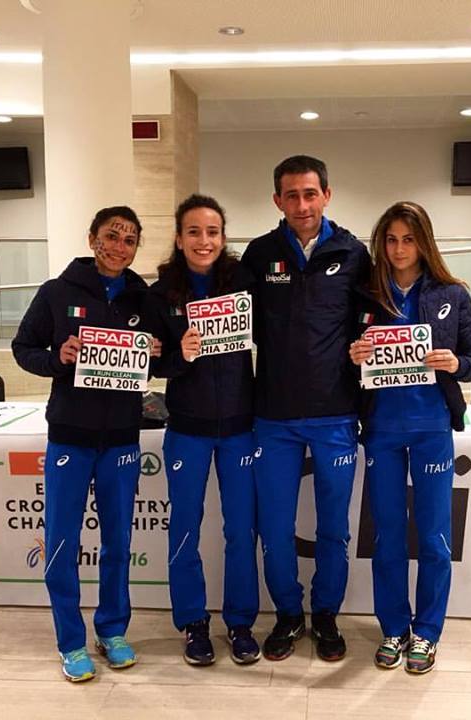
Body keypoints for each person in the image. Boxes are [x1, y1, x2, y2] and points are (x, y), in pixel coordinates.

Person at [12, 206, 159, 682]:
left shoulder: (143, 297)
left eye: (130, 240)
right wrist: (58, 357)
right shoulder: (57, 293)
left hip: (122, 438)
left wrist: (158, 353)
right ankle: (70, 640)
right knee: (61, 541)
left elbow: (163, 357)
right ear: (93, 237)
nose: (120, 246)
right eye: (112, 236)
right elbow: (23, 348)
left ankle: (112, 630)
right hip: (70, 437)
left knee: (118, 541)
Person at [240, 155, 370, 662]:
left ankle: (327, 616)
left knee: (333, 528)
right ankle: (289, 615)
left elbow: (373, 321)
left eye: (310, 193)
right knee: (274, 529)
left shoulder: (353, 253)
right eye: (291, 195)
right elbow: (234, 324)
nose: (302, 204)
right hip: (273, 416)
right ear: (277, 200)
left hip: (336, 414)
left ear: (326, 195)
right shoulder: (259, 254)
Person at [349, 201, 471, 674]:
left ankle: (426, 631)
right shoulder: (366, 295)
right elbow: (348, 357)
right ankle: (393, 628)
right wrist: (354, 352)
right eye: (391, 240)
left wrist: (455, 363)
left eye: (408, 239)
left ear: (424, 242)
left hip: (431, 428)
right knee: (386, 537)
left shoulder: (453, 294)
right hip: (382, 430)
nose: (400, 249)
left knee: (434, 536)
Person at [145, 194, 260, 666]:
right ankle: (193, 622)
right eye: (194, 231)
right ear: (179, 238)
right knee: (184, 528)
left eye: (212, 232)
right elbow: (153, 365)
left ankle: (240, 622)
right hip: (187, 429)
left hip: (240, 427)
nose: (204, 240)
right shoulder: (161, 294)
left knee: (241, 529)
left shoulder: (245, 283)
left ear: (223, 237)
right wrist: (182, 355)